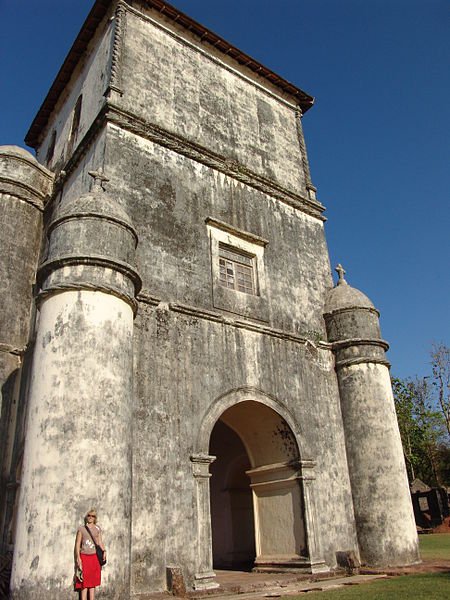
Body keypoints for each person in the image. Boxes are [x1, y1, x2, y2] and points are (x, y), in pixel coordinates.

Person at [74, 509, 106, 599]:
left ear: (95, 518)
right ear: (86, 517)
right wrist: (78, 558)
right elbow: (77, 544)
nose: (90, 517)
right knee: (84, 584)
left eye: (93, 516)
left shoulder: (97, 529)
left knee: (92, 584)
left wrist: (104, 551)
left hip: (94, 558)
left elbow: (100, 542)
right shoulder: (81, 529)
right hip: (84, 557)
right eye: (89, 515)